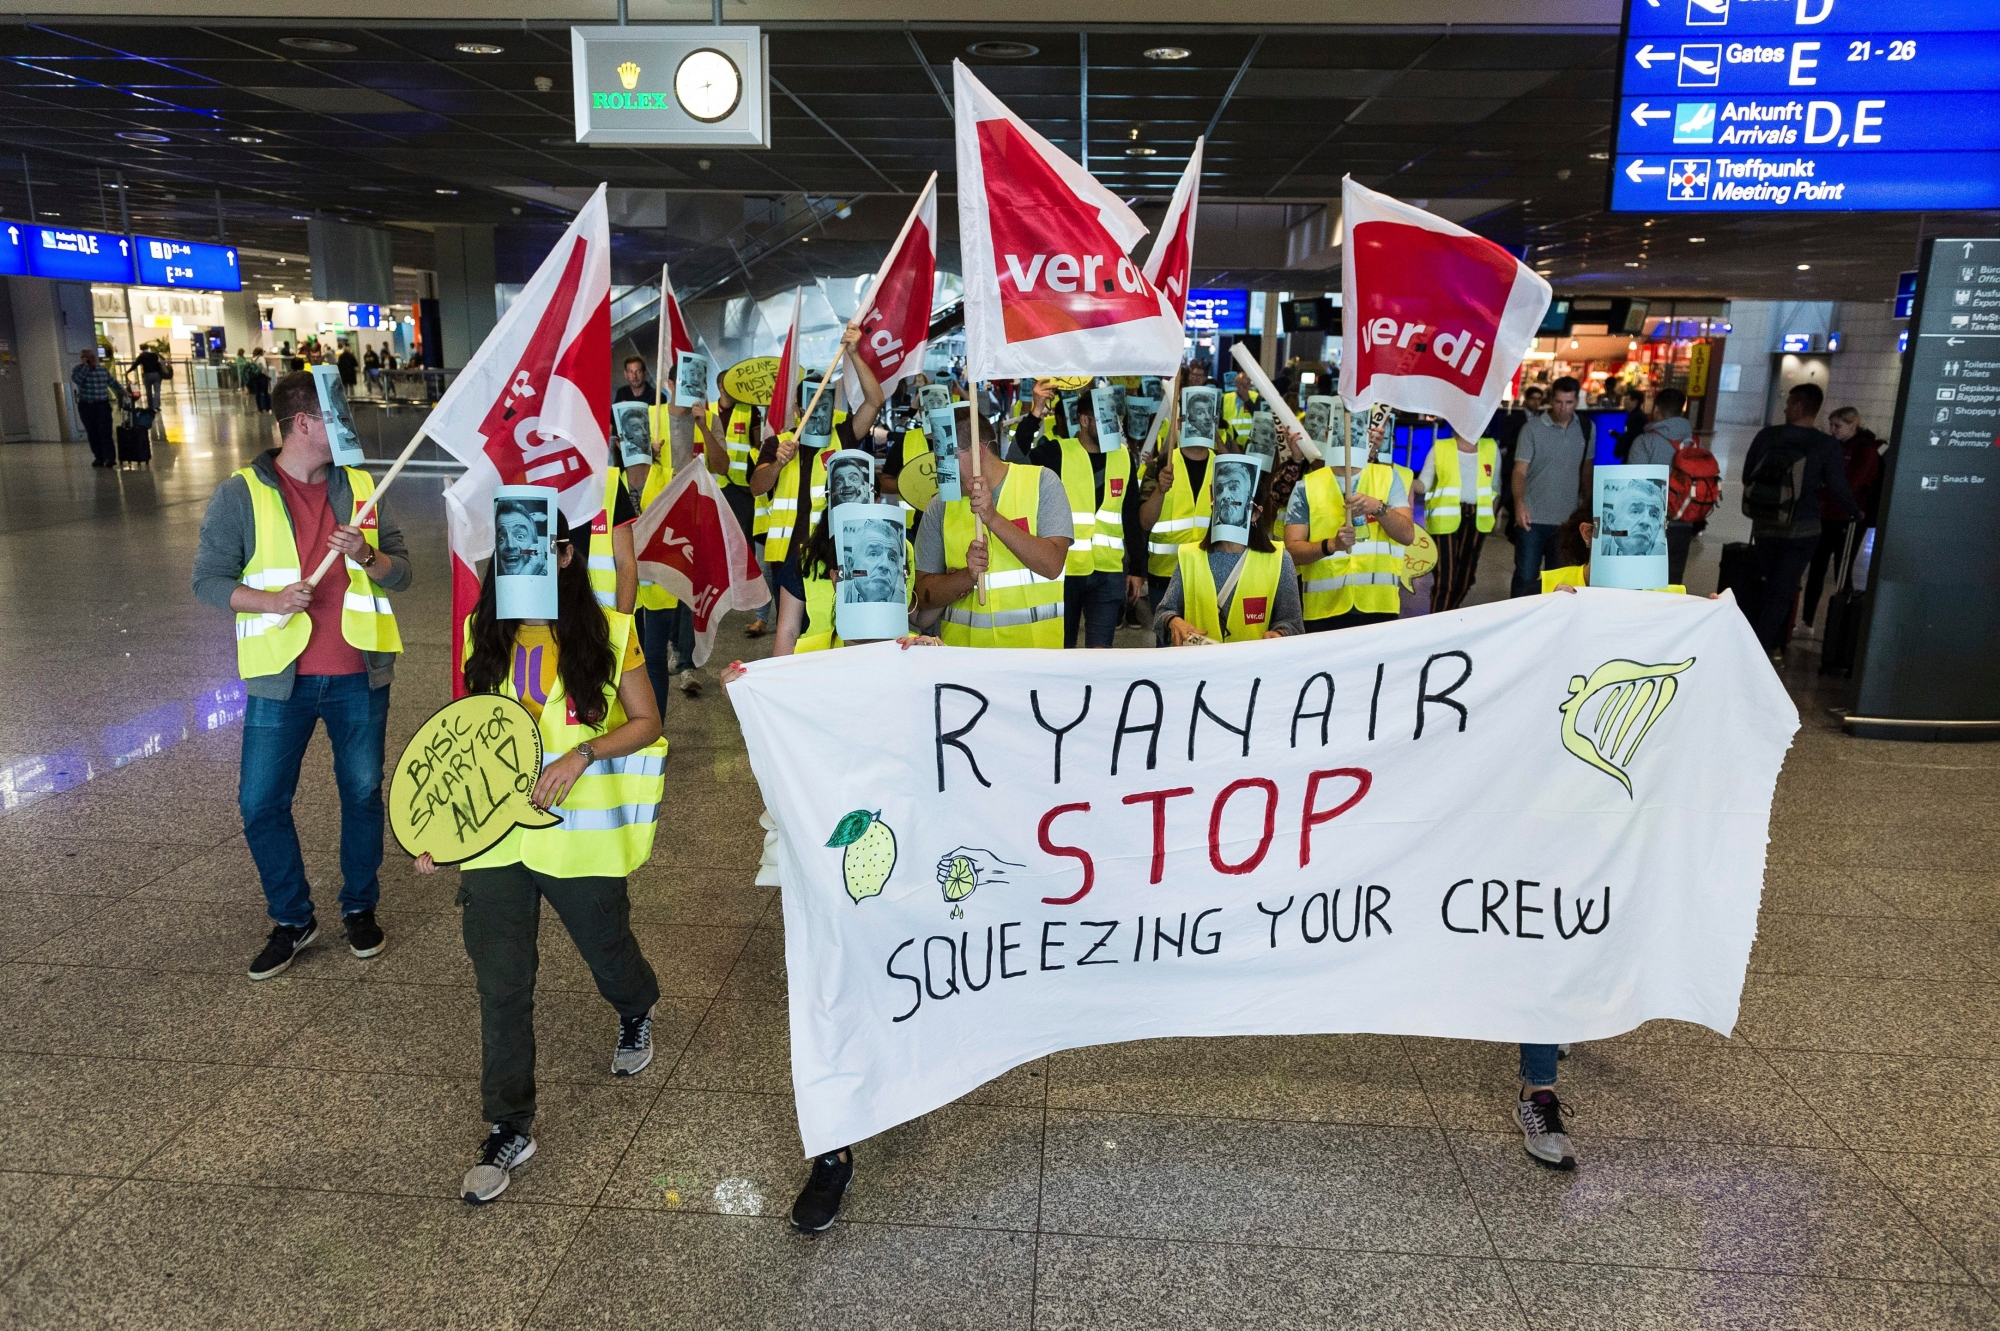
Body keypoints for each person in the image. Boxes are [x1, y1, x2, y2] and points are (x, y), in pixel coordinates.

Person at [413, 510, 666, 1206]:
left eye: (547, 547)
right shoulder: (479, 632)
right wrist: (439, 828)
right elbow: (464, 741)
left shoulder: (610, 631)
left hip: (577, 838)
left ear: (565, 555)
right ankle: (508, 1123)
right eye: (518, 548)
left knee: (606, 947)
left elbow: (647, 721)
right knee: (501, 980)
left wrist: (584, 751)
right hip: (496, 840)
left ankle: (636, 1003)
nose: (534, 559)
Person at [192, 369, 410, 980]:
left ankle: (360, 908)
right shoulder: (243, 493)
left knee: (362, 793)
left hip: (358, 672)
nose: (347, 423)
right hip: (278, 679)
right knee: (260, 802)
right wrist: (269, 601)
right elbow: (207, 580)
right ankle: (293, 918)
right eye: (334, 413)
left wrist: (370, 556)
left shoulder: (362, 486)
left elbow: (403, 572)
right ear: (304, 423)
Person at [914, 400, 1071, 647]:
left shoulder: (1042, 483)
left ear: (977, 453)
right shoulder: (940, 506)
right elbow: (923, 597)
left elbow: (1052, 565)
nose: (938, 465)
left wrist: (993, 518)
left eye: (945, 455)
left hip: (1035, 659)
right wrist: (967, 577)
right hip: (964, 661)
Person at [1741, 383, 1860, 657]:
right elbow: (1838, 486)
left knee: (1769, 582)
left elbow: (1748, 476)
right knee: (1782, 589)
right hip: (1802, 529)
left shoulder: (1767, 436)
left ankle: (1763, 642)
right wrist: (1855, 511)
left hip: (1766, 524)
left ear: (1797, 405)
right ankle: (1763, 647)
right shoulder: (1826, 444)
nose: (1784, 408)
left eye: (1788, 403)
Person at [1015, 380, 1132, 648]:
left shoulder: (1123, 456)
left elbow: (1130, 512)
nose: (1112, 424)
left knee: (1101, 655)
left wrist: (1136, 569)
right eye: (1105, 417)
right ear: (1084, 421)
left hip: (1108, 572)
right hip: (1064, 572)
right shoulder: (1056, 453)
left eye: (1114, 417)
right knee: (1062, 649)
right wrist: (1035, 413)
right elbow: (1015, 461)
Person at [1284, 412, 1417, 631]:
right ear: (1328, 436)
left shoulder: (1388, 478)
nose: (1350, 437)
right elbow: (1292, 552)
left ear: (1369, 438)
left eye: (1358, 432)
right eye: (1342, 432)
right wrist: (1331, 545)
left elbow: (1407, 535)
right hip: (1324, 610)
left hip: (1379, 605)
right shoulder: (1306, 486)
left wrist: (1379, 508)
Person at [1155, 467, 1303, 643]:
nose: (1225, 496)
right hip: (1200, 665)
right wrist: (1173, 621)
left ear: (1255, 514)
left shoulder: (1279, 560)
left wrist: (1280, 634)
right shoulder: (1190, 556)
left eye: (1233, 488)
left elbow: (1293, 624)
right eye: (1220, 490)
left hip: (1252, 667)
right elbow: (1163, 612)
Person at [1800, 406, 1882, 628]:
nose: (1832, 430)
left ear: (1853, 424)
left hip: (1850, 519)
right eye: (1830, 425)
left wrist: (1818, 490)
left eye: (1838, 426)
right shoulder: (1830, 446)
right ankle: (1807, 620)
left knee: (1841, 570)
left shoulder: (1866, 451)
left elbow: (1850, 485)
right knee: (1816, 568)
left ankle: (1841, 623)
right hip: (1825, 515)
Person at [1510, 377, 1592, 597]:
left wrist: (1586, 506)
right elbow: (1519, 471)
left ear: (1577, 401)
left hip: (1567, 520)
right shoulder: (1532, 429)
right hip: (1533, 518)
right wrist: (1519, 504)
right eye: (1558, 401)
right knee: (1526, 576)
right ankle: (1518, 620)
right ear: (1550, 400)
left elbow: (1586, 469)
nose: (1563, 408)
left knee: (1559, 577)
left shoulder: (1586, 428)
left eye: (1569, 402)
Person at [1415, 425, 1498, 613]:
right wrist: (1402, 477)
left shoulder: (1490, 447)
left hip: (1477, 521)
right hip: (1444, 520)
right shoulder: (1441, 448)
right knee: (1446, 579)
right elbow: (1423, 484)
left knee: (1466, 579)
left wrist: (1492, 513)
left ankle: (1443, 619)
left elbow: (1495, 486)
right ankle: (1439, 628)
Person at [1624, 387, 1699, 585]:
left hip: (1648, 526)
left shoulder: (1645, 442)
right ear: (1681, 412)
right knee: (1671, 584)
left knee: (1638, 584)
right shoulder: (1692, 444)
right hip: (1683, 524)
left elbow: (1633, 483)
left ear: (1656, 409)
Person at [71, 347, 117, 467]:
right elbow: (78, 380)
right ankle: (99, 457)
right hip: (86, 405)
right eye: (88, 357)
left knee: (105, 432)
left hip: (102, 405)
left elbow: (113, 382)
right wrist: (86, 367)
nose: (92, 359)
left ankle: (109, 457)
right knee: (92, 432)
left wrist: (123, 392)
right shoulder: (78, 370)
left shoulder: (102, 370)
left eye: (93, 357)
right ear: (83, 359)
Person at [134, 342, 167, 413]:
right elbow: (163, 359)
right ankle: (157, 406)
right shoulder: (154, 354)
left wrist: (128, 371)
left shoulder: (141, 356)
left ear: (141, 349)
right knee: (157, 391)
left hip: (147, 375)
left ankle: (150, 407)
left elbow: (135, 364)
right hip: (156, 374)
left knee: (148, 391)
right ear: (148, 348)